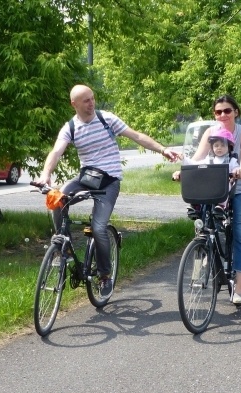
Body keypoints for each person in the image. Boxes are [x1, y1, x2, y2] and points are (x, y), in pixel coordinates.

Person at [36, 84, 180, 299]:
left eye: (92, 98)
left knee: (98, 227)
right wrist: (46, 174)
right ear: (74, 104)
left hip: (109, 182)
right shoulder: (71, 127)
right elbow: (56, 151)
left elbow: (136, 136)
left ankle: (105, 276)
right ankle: (64, 248)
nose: (91, 103)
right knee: (57, 199)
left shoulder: (106, 119)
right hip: (87, 178)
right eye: (86, 100)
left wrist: (163, 149)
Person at [177, 94, 241, 305]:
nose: (223, 115)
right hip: (215, 186)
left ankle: (239, 287)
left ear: (236, 112)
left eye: (227, 110)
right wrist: (183, 171)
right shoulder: (210, 133)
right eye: (218, 112)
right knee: (202, 228)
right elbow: (198, 159)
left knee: (240, 231)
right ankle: (200, 269)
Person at [172, 126, 239, 211]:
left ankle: (221, 206)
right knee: (197, 182)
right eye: (216, 145)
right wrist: (184, 159)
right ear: (212, 147)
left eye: (223, 145)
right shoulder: (209, 159)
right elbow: (195, 164)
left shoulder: (231, 160)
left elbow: (236, 168)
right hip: (208, 185)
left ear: (229, 147)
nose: (219, 148)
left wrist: (237, 171)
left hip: (222, 186)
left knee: (227, 184)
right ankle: (196, 204)